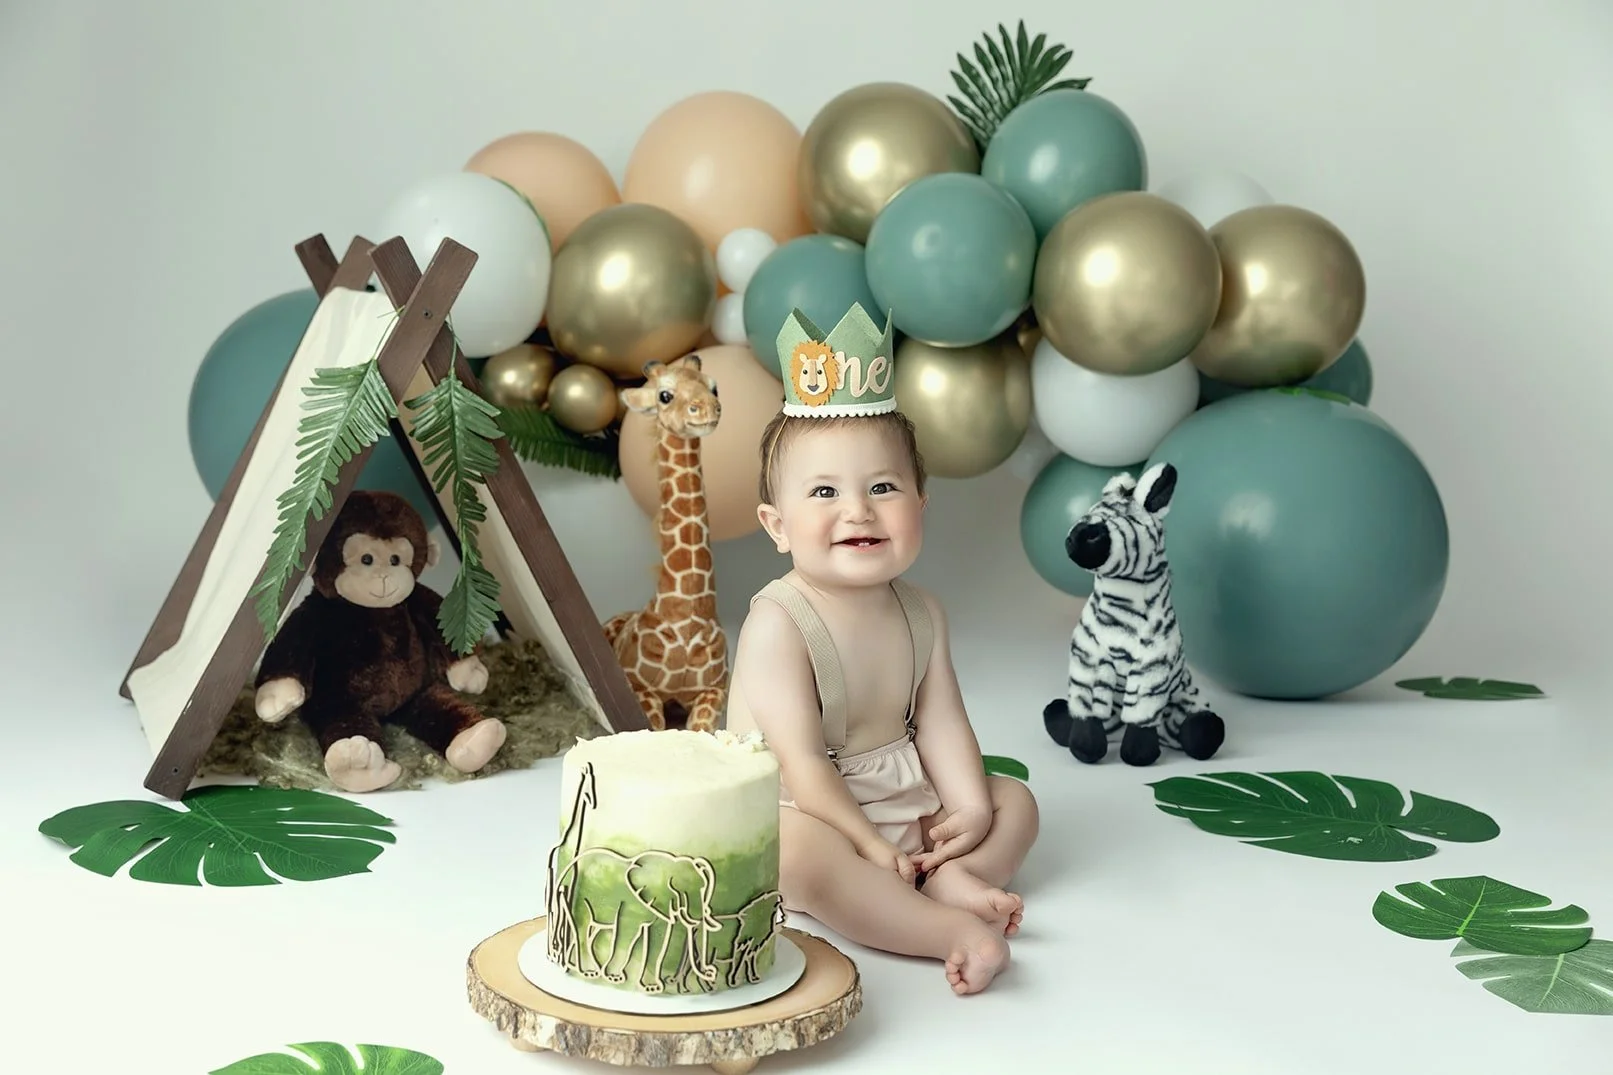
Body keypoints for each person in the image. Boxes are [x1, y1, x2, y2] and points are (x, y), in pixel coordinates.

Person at [724, 304, 1040, 996]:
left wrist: (968, 811)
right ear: (777, 526)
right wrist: (867, 843)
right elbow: (801, 763)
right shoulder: (777, 622)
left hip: (900, 796)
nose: (858, 510)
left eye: (883, 487)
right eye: (824, 492)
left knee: (1015, 801)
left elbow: (940, 722)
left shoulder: (922, 611)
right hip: (805, 808)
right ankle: (945, 931)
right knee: (805, 860)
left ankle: (956, 873)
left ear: (919, 505)